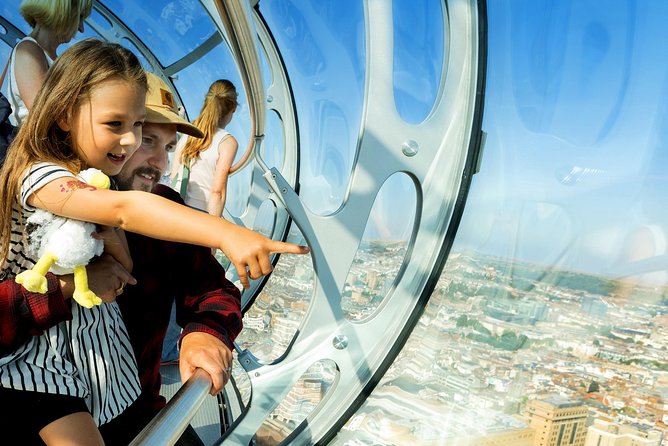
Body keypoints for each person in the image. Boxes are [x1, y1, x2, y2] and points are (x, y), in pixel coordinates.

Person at [0, 39, 307, 445]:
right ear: (70, 120)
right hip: (43, 403)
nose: (160, 163)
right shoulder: (42, 190)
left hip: (127, 403)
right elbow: (124, 210)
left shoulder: (166, 207)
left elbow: (212, 289)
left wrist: (204, 331)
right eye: (147, 140)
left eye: (163, 144)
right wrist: (70, 288)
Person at [7, 0, 92, 126]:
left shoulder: (52, 58)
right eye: (79, 17)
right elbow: (47, 115)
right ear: (62, 12)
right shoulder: (28, 50)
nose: (81, 28)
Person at [171, 79, 239, 217]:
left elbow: (174, 175)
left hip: (173, 207)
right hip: (198, 215)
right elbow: (217, 193)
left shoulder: (189, 132)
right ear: (233, 107)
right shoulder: (227, 142)